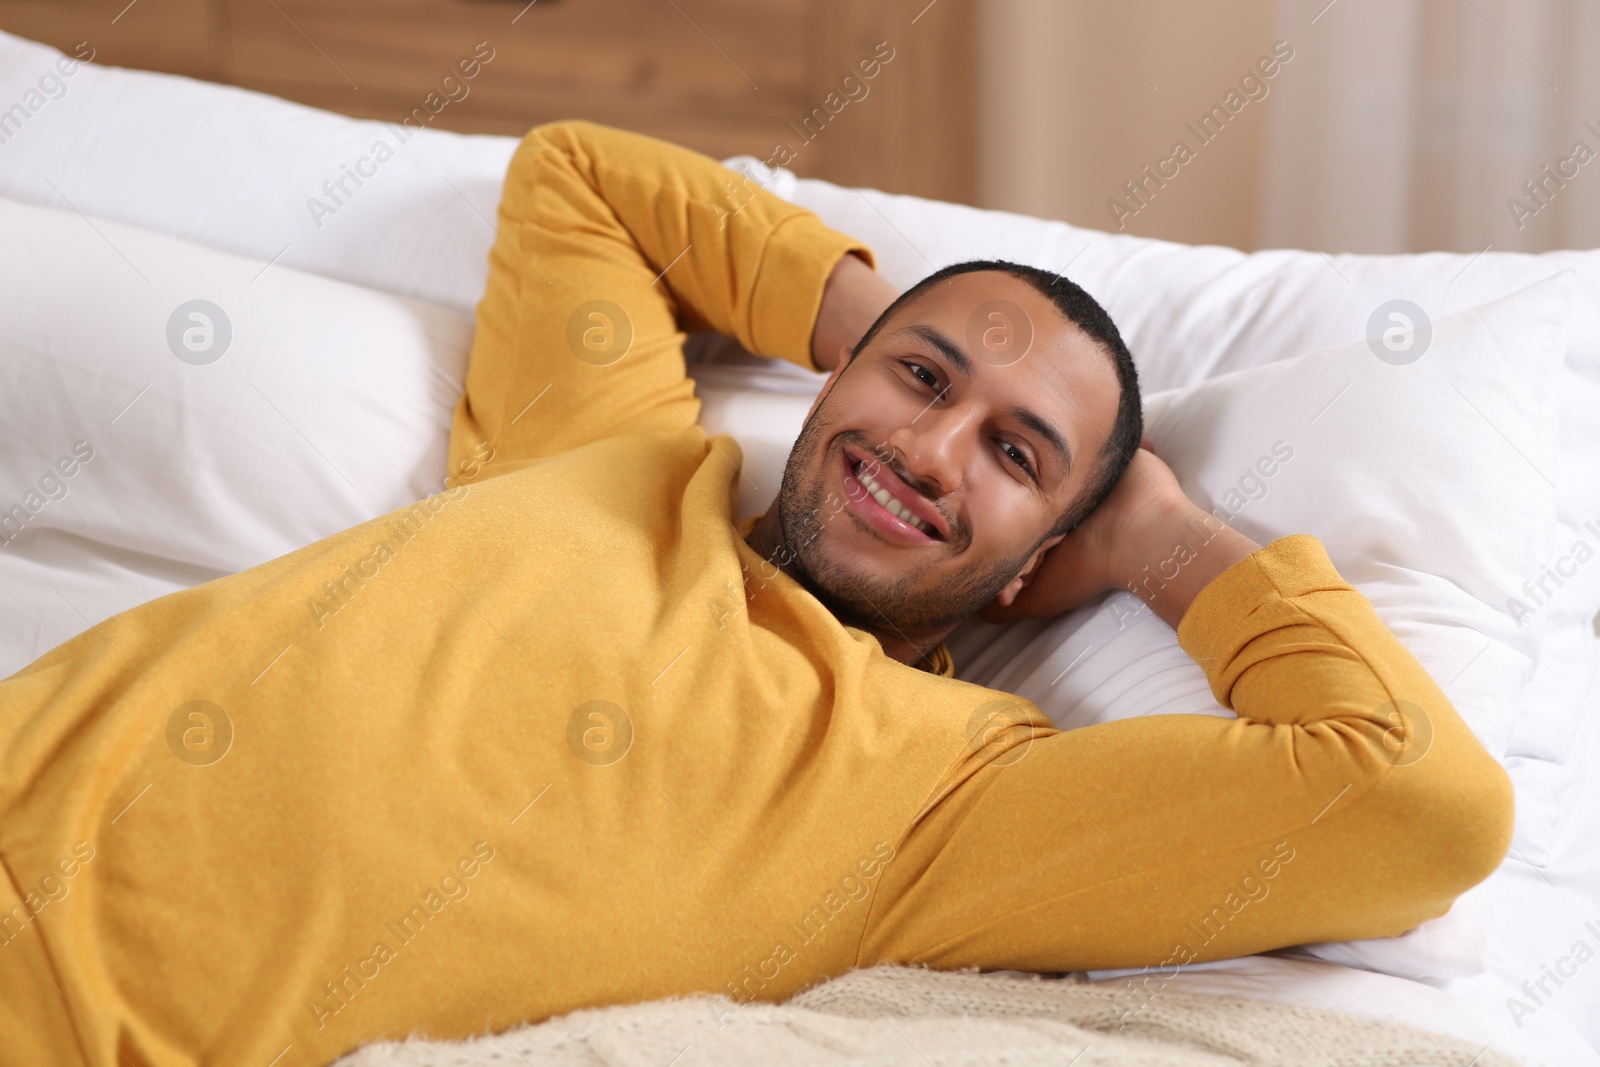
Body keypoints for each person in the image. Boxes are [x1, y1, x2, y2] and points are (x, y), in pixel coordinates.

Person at [0, 120, 1512, 1067]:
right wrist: (879, 321)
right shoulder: (608, 456)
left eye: (1014, 454)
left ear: (1050, 560)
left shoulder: (950, 803)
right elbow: (583, 176)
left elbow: (1418, 806)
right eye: (921, 380)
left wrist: (1166, 535)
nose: (928, 447)